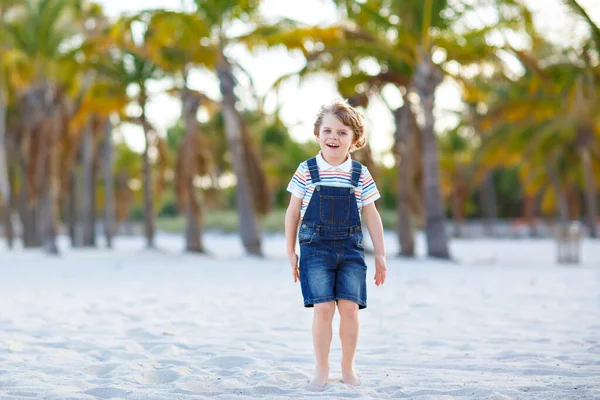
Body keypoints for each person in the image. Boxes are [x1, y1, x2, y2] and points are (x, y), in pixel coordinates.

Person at [284, 99, 387, 387]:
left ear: (354, 140)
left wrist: (380, 255)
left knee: (350, 308)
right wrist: (290, 251)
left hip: (351, 250)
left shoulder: (360, 174)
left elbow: (371, 214)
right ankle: (321, 368)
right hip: (315, 249)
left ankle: (347, 367)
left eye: (343, 133)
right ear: (317, 134)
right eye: (328, 130)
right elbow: (292, 213)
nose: (334, 137)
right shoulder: (306, 170)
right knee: (324, 308)